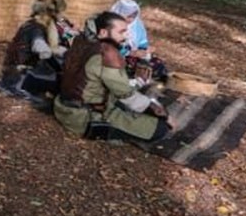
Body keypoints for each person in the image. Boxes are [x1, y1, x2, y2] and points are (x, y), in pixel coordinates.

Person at [53, 11, 172, 143]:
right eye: (121, 32)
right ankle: (106, 132)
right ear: (103, 33)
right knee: (160, 129)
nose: (126, 36)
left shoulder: (81, 40)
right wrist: (160, 112)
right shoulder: (107, 53)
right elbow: (127, 96)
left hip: (62, 106)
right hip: (83, 117)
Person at [0, 0, 65, 106]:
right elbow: (42, 51)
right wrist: (60, 69)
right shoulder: (36, 29)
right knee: (60, 81)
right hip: (19, 75)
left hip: (12, 70)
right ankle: (18, 88)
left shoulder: (30, 24)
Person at [109, 0, 168, 83]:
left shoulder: (137, 25)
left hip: (135, 56)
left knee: (158, 64)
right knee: (129, 65)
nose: (131, 19)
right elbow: (109, 47)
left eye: (133, 16)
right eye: (128, 16)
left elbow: (142, 42)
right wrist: (130, 53)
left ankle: (160, 87)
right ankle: (132, 84)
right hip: (117, 57)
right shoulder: (110, 25)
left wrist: (145, 49)